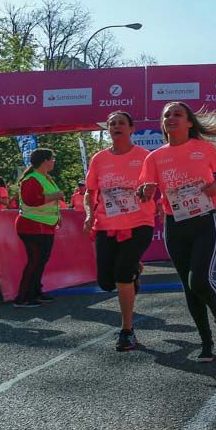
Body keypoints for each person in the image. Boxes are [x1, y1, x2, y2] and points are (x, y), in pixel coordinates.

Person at [138, 102, 216, 363]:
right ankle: (206, 343)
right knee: (188, 288)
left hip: (204, 221)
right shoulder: (154, 157)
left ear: (189, 122)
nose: (171, 118)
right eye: (166, 115)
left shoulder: (203, 149)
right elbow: (146, 188)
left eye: (177, 114)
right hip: (175, 224)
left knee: (199, 281)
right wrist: (145, 192)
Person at [84, 111, 157, 352]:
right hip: (107, 224)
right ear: (108, 130)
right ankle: (134, 269)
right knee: (106, 282)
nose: (116, 126)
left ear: (131, 128)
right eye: (112, 124)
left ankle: (127, 331)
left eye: (121, 123)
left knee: (122, 275)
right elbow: (89, 192)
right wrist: (89, 213)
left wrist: (147, 191)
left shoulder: (144, 157)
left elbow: (154, 185)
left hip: (139, 222)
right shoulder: (99, 159)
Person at [14, 148, 64, 308]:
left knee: (40, 261)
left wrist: (58, 216)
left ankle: (35, 292)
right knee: (35, 261)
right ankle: (23, 298)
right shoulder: (31, 179)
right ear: (45, 161)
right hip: (32, 226)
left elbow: (49, 203)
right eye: (52, 158)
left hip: (43, 225)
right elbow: (31, 200)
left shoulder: (44, 177)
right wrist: (56, 196)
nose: (54, 161)